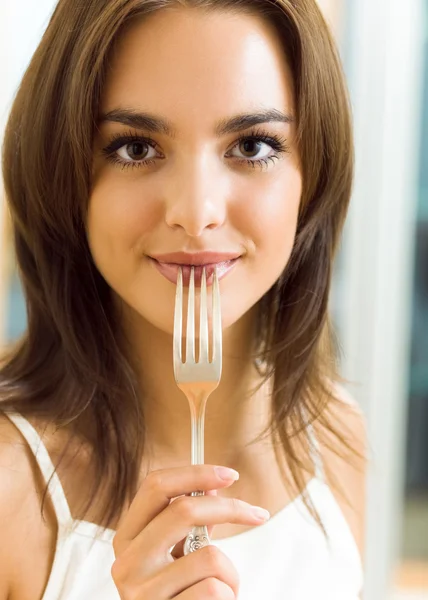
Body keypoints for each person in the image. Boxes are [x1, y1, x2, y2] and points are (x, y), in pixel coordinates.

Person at [0, 0, 368, 598]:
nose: (196, 214)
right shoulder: (10, 491)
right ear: (62, 174)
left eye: (251, 146)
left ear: (314, 175)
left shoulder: (337, 439)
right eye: (136, 149)